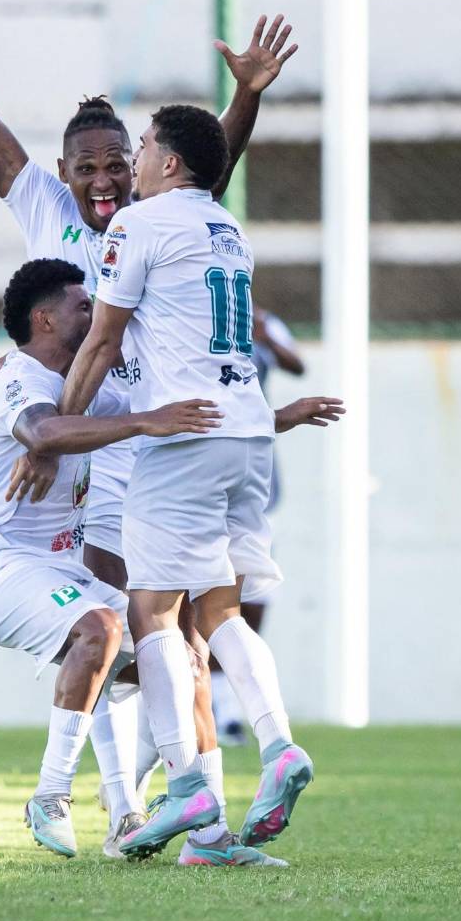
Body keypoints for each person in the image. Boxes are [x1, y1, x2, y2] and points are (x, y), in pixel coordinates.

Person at [0, 0, 296, 860]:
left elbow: (216, 158)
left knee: (167, 642)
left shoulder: (159, 216)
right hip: (104, 459)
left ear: (138, 169)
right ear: (61, 175)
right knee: (132, 635)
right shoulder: (49, 217)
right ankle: (135, 806)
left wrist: (243, 97)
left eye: (112, 165)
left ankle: (182, 813)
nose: (102, 181)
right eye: (86, 167)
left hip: (156, 445)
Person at [59, 105, 344, 865]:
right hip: (249, 435)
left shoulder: (139, 226)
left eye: (145, 147)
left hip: (185, 437)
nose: (136, 159)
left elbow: (101, 340)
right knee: (220, 608)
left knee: (153, 613)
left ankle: (187, 784)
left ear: (171, 164)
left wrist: (59, 432)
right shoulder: (227, 228)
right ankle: (278, 744)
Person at [0, 258, 222, 857]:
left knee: (178, 666)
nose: (96, 311)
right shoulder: (17, 381)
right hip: (2, 572)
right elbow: (45, 434)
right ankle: (50, 796)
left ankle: (159, 812)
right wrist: (142, 423)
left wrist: (270, 419)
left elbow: (164, 412)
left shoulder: (86, 389)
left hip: (60, 571)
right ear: (44, 318)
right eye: (84, 306)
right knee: (101, 629)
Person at [210, 304, 304, 746]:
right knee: (206, 595)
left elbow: (297, 364)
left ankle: (231, 708)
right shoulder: (191, 311)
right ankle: (215, 709)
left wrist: (265, 333)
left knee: (255, 597)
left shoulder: (262, 320)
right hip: (205, 479)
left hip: (259, 484)